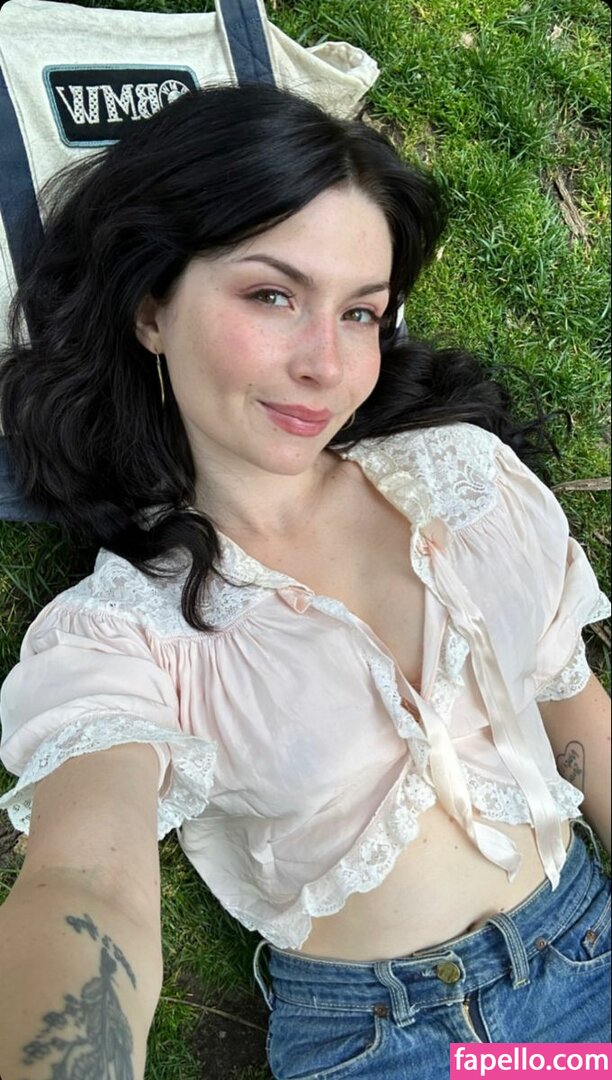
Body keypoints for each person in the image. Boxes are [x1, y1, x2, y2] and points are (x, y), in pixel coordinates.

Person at [0, 84, 609, 1080]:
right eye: (272, 296)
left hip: (588, 954)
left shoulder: (465, 482)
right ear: (151, 308)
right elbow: (86, 882)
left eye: (361, 312)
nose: (328, 364)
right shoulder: (125, 632)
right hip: (384, 1043)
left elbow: (572, 706)